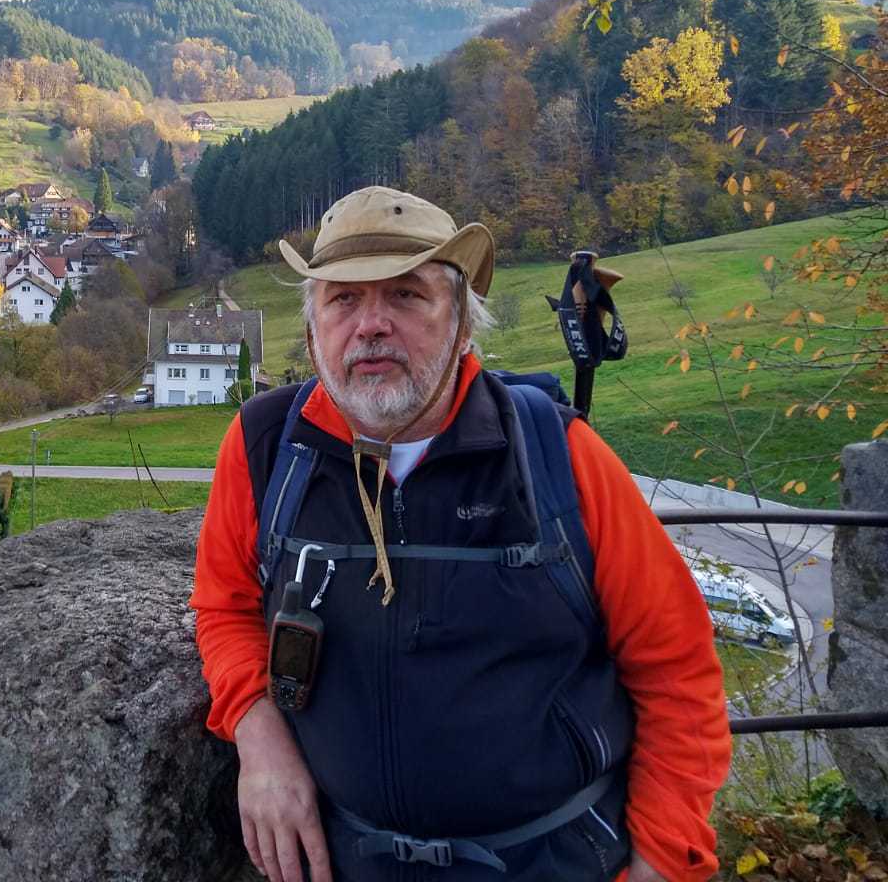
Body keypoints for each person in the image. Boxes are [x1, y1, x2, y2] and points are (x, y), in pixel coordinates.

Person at [191, 186, 730, 882]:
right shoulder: (266, 447)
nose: (371, 325)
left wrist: (662, 859)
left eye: (407, 295)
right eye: (343, 299)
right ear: (313, 327)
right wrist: (258, 731)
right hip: (345, 861)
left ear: (462, 323)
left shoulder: (556, 454)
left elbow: (676, 667)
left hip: (551, 861)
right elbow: (225, 607)